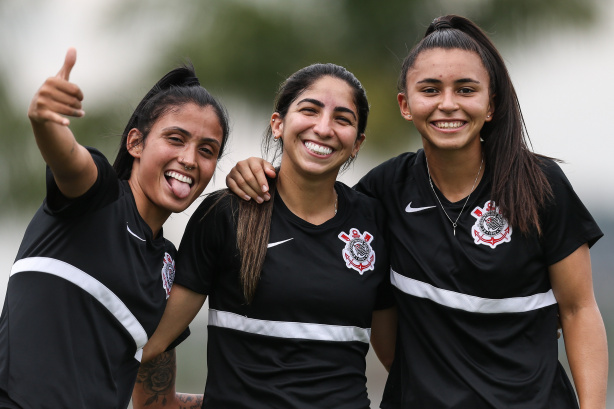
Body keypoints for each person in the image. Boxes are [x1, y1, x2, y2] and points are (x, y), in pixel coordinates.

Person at [225, 15, 608, 409]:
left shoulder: (539, 184)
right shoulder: (385, 190)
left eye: (465, 89)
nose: (447, 104)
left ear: (490, 105)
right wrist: (255, 171)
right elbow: (315, 214)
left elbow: (579, 310)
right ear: (406, 105)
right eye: (430, 89)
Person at [132, 63, 397, 409]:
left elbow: (397, 360)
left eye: (343, 119)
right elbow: (154, 341)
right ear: (278, 124)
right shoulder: (225, 214)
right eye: (310, 110)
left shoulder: (375, 221)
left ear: (357, 142)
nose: (323, 127)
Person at [0, 48, 229, 409]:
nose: (189, 158)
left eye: (207, 150)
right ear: (135, 142)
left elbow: (157, 403)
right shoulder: (97, 196)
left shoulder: (169, 264)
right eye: (175, 138)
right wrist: (44, 120)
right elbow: (68, 160)